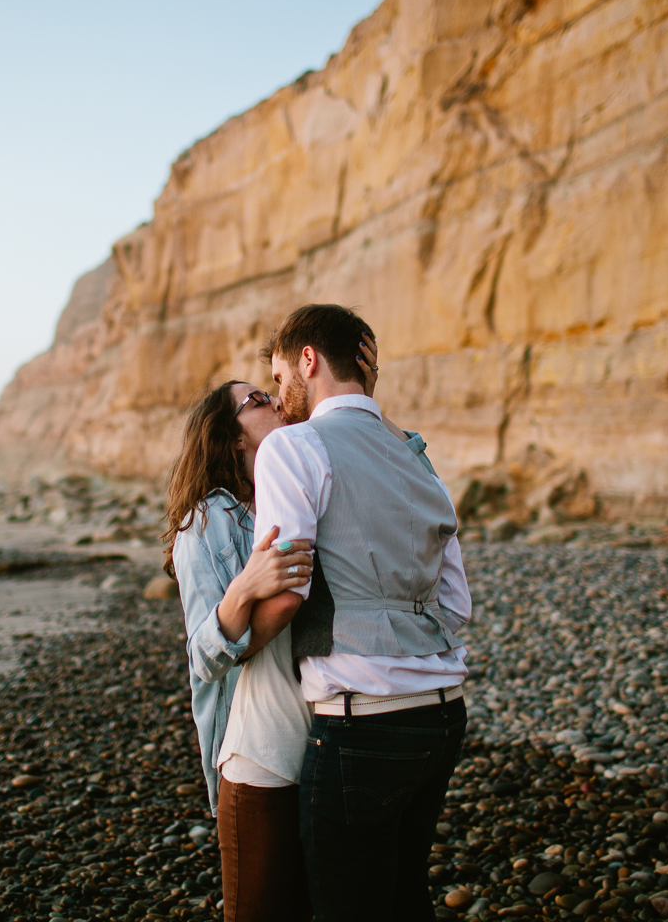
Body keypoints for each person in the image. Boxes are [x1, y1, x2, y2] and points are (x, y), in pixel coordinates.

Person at [164, 342, 436, 922]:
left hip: (329, 739)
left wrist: (366, 397)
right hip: (261, 746)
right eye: (257, 400)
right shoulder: (210, 519)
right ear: (233, 438)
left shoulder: (307, 481)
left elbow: (405, 473)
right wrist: (245, 588)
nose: (274, 401)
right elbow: (204, 656)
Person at [250, 304, 471, 922]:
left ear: (308, 360)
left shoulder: (293, 446)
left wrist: (230, 646)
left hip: (361, 719)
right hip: (443, 713)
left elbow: (288, 587)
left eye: (277, 376)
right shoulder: (415, 454)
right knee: (405, 895)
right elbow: (456, 601)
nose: (277, 395)